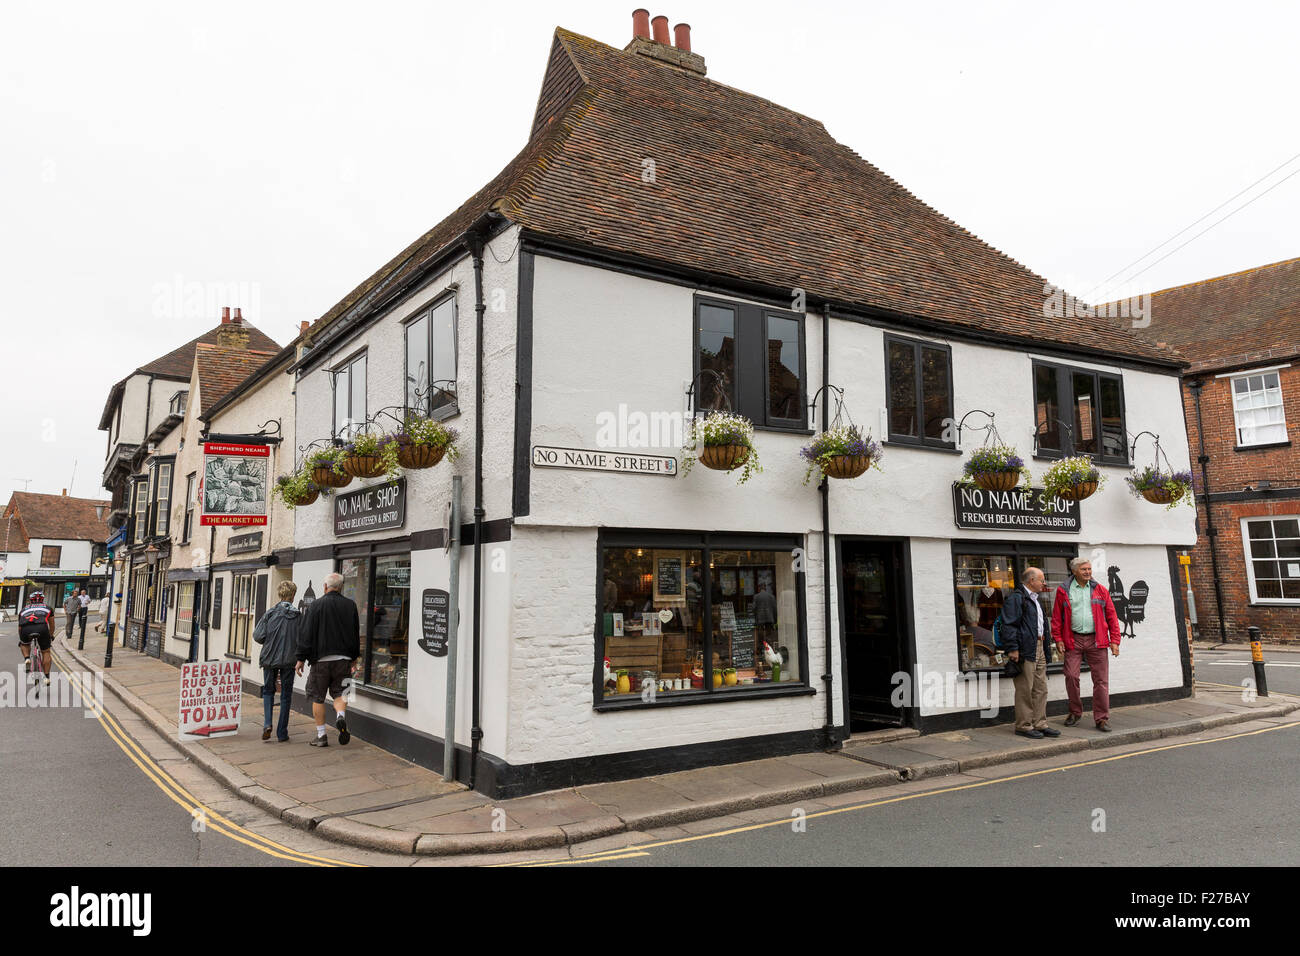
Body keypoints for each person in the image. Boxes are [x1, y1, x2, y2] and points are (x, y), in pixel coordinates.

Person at [1051, 557, 1122, 732]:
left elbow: (1112, 617)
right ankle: (1075, 712)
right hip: (1073, 639)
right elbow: (1057, 617)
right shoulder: (1063, 591)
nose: (1088, 572)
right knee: (1071, 675)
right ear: (1074, 571)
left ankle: (1102, 718)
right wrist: (1058, 639)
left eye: (1089, 569)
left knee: (1101, 681)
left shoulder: (1100, 590)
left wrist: (1115, 641)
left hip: (1097, 640)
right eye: (1084, 569)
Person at [295, 572, 360, 747]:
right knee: (341, 693)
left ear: (325, 587)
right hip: (344, 659)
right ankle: (340, 717)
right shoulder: (350, 605)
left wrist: (301, 658)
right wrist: (354, 657)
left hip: (321, 660)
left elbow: (306, 634)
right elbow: (355, 634)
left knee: (318, 697)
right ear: (341, 587)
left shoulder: (315, 606)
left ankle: (322, 736)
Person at [1000, 567, 1060, 739]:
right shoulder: (1017, 599)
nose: (1044, 583)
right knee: (1025, 688)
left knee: (1041, 688)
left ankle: (1040, 724)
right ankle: (1024, 725)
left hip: (1040, 645)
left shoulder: (1034, 599)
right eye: (1041, 580)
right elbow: (1009, 625)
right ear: (1031, 581)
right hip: (1025, 648)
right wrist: (1013, 648)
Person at [254, 580, 301, 742]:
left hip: (269, 658)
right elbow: (302, 639)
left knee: (268, 691)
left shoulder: (270, 613)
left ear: (280, 594)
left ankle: (267, 724)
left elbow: (258, 636)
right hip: (289, 660)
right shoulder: (298, 615)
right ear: (293, 595)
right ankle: (282, 732)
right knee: (286, 695)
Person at [18, 591, 55, 687]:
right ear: (42, 599)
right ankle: (46, 677)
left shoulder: (23, 609)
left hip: (26, 629)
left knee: (25, 644)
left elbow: (20, 627)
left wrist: (21, 639)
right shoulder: (48, 608)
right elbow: (52, 625)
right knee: (46, 652)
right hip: (41, 628)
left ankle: (27, 659)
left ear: (30, 600)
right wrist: (50, 636)